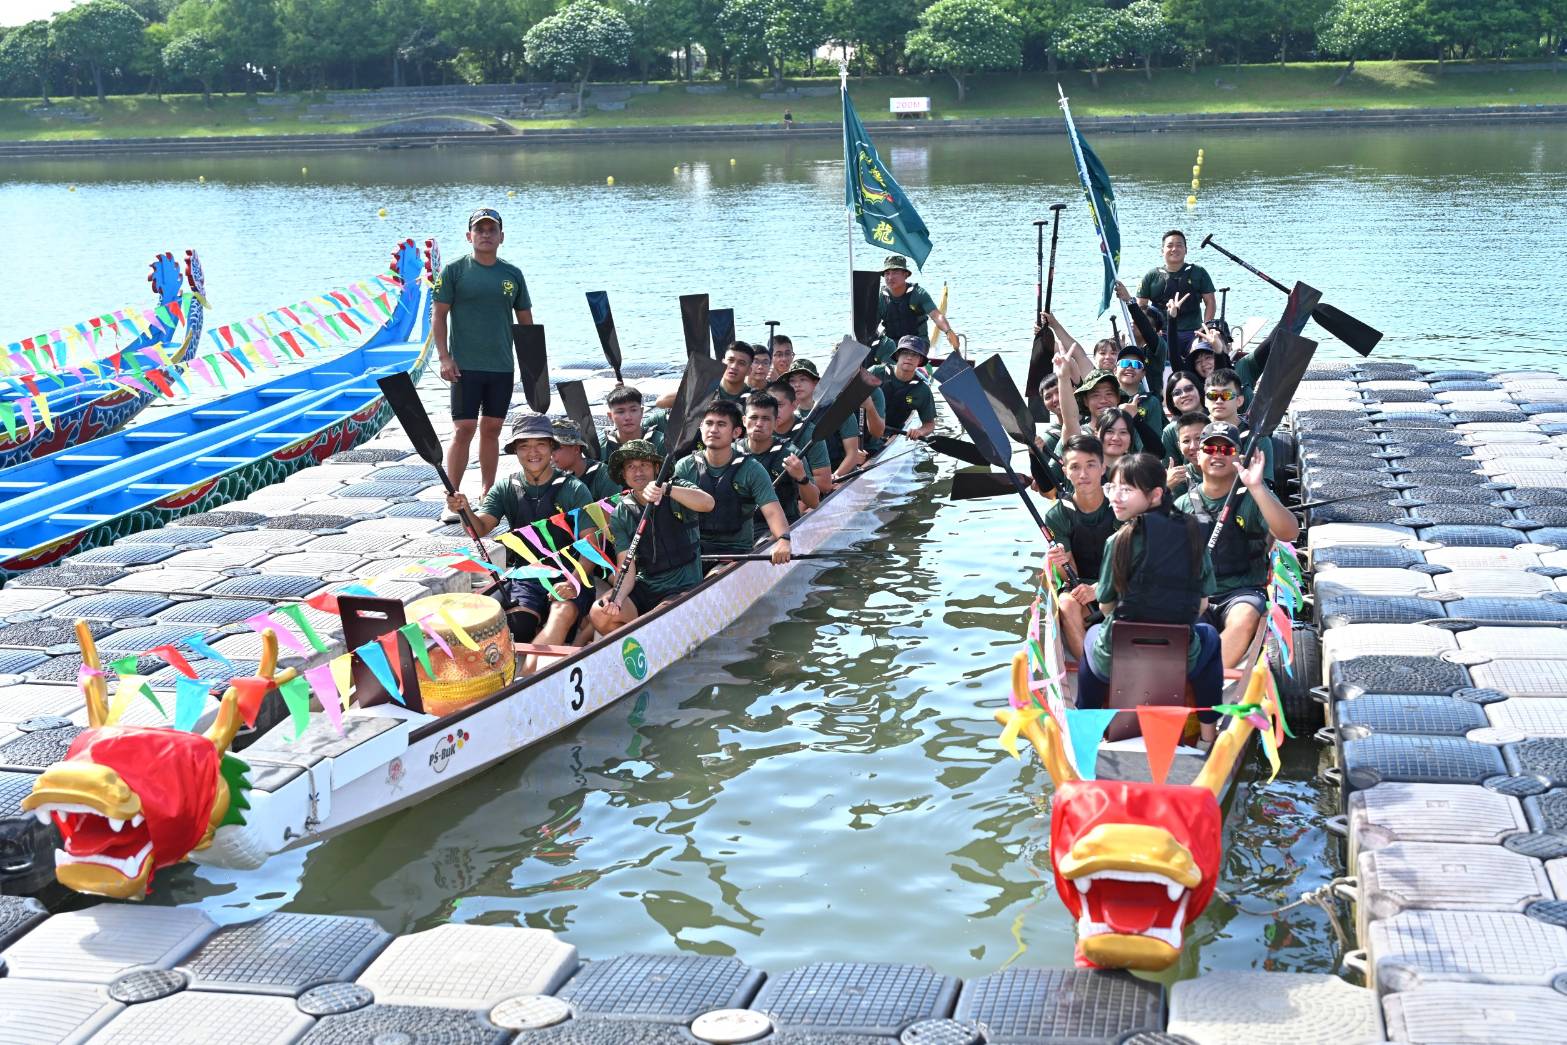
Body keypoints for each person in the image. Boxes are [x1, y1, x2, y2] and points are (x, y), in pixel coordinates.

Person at [1079, 452, 1224, 744]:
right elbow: (1202, 604)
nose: (1115, 497)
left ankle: (1087, 735)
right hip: (1180, 655)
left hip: (1119, 655)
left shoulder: (1117, 541)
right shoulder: (1193, 532)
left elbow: (1106, 605)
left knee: (1092, 636)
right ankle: (1209, 736)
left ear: (1155, 494)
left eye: (1126, 489)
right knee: (1209, 636)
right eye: (1112, 487)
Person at [445, 414, 593, 672]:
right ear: (515, 451)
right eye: (524, 446)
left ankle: (525, 679)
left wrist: (574, 581)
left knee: (561, 614)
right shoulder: (505, 487)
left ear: (552, 448)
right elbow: (480, 528)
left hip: (569, 574)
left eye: (540, 445)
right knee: (519, 627)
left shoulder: (574, 489)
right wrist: (464, 509)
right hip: (526, 575)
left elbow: (590, 543)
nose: (533, 453)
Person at [433, 207, 533, 522]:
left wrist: (533, 366)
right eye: (480, 230)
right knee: (463, 429)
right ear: (469, 236)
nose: (486, 235)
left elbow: (526, 323)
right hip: (464, 366)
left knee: (492, 429)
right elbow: (439, 316)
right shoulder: (454, 271)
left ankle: (488, 495)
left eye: (492, 230)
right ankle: (452, 498)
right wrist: (444, 357)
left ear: (501, 237)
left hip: (501, 366)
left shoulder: (512, 274)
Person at [1177, 422, 1300, 668]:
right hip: (1197, 593)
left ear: (1238, 458)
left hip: (1242, 592)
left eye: (1226, 450)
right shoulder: (1181, 504)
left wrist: (1256, 486)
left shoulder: (1253, 497)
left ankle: (1209, 675)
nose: (1217, 455)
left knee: (1243, 618)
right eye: (1210, 449)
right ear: (1198, 456)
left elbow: (1288, 533)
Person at [591, 440, 715, 635]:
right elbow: (626, 565)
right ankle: (640, 643)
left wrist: (666, 489)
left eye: (644, 465)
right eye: (631, 467)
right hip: (647, 585)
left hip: (683, 584)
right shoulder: (620, 513)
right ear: (624, 474)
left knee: (660, 612)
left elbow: (708, 503)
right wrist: (618, 597)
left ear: (657, 468)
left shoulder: (676, 487)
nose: (638, 472)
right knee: (600, 613)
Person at [673, 400, 792, 568]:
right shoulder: (685, 466)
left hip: (734, 552)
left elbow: (772, 512)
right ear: (700, 427)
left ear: (736, 432)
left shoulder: (752, 469)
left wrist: (783, 540)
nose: (713, 430)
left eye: (721, 424)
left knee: (713, 577)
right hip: (693, 549)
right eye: (709, 423)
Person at [1043, 435, 1116, 661]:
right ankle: (1090, 669)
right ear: (1065, 471)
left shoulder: (1121, 503)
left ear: (1103, 468)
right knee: (1066, 604)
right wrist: (1059, 562)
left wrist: (1100, 589)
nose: (1083, 474)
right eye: (1075, 467)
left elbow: (1135, 563)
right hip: (1080, 589)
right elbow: (1069, 574)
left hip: (1121, 585)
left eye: (1090, 465)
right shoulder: (1057, 515)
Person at [1137, 230, 1216, 371]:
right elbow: (1141, 307)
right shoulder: (1151, 276)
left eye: (1179, 245)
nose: (1174, 249)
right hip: (1162, 333)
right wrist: (1150, 330)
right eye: (1170, 245)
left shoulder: (1199, 272)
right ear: (1162, 250)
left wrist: (1206, 327)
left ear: (1186, 250)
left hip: (1193, 332)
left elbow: (1210, 302)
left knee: (1201, 354)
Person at [782, 358, 865, 478]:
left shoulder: (840, 409)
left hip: (839, 474)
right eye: (792, 381)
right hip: (807, 477)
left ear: (816, 383)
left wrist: (835, 476)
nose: (797, 385)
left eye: (803, 379)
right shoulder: (788, 415)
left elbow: (853, 454)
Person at [743, 392, 818, 523]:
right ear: (744, 421)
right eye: (754, 417)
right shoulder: (732, 451)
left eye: (766, 419)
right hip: (741, 528)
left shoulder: (791, 454)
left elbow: (814, 502)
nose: (759, 423)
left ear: (776, 422)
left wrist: (802, 478)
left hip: (783, 526)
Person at [876, 255, 958, 363]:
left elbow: (936, 315)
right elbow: (869, 327)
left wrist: (948, 331)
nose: (890, 277)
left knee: (904, 355)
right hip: (892, 344)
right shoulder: (880, 298)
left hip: (917, 342)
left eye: (895, 272)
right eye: (887, 273)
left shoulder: (918, 294)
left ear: (905, 275)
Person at [1205, 368, 1275, 487]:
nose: (1219, 400)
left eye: (1226, 395)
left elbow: (1265, 488)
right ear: (1205, 400)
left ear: (1239, 400)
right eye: (1212, 395)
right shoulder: (1195, 434)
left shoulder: (1257, 440)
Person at [770, 379, 834, 493]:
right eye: (769, 405)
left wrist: (798, 479)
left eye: (779, 405)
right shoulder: (759, 429)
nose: (774, 411)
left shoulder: (810, 433)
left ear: (794, 405)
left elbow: (824, 484)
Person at [869, 335, 937, 443]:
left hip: (890, 434)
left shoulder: (922, 389)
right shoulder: (875, 372)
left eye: (915, 354)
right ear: (897, 355)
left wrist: (920, 431)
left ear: (920, 360)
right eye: (905, 352)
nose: (909, 357)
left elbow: (929, 424)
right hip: (863, 429)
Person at [656, 342, 753, 410]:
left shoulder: (753, 396)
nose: (734, 366)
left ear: (749, 370)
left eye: (741, 363)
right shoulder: (707, 391)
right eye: (730, 360)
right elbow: (661, 402)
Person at [551, 419, 620, 499]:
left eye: (555, 447)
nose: (551, 453)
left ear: (576, 449)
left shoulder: (604, 476)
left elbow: (614, 505)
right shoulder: (551, 477)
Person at [602, 384, 667, 458]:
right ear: (610, 416)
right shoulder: (602, 447)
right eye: (620, 412)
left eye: (633, 410)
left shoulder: (661, 442)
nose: (628, 417)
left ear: (641, 412)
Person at [1166, 411, 1209, 498]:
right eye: (1186, 441)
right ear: (1179, 446)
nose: (1193, 446)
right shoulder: (1177, 479)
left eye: (1199, 438)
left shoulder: (1228, 470)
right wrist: (1166, 488)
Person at [1160, 372, 1204, 454]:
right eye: (1177, 393)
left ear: (1199, 391)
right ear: (1172, 401)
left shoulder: (1217, 419)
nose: (1184, 395)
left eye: (1189, 389)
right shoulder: (1170, 431)